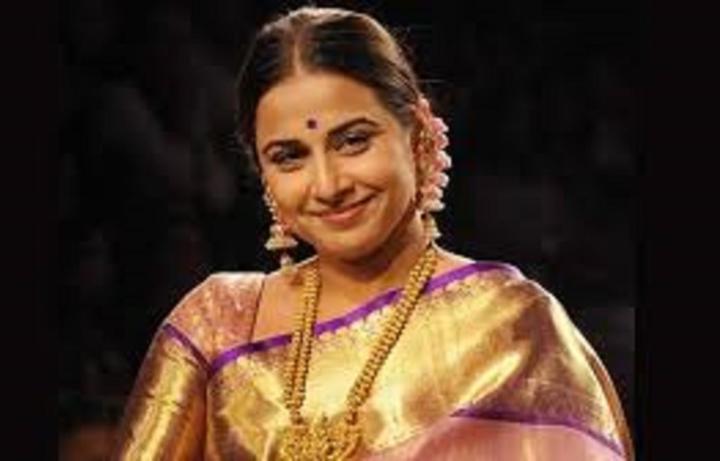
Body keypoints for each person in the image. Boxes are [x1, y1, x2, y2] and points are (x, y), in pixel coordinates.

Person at [113, 6, 633, 460]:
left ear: (418, 134)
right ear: (263, 175)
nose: (328, 185)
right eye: (290, 156)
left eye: (353, 141)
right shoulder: (215, 325)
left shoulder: (509, 326)